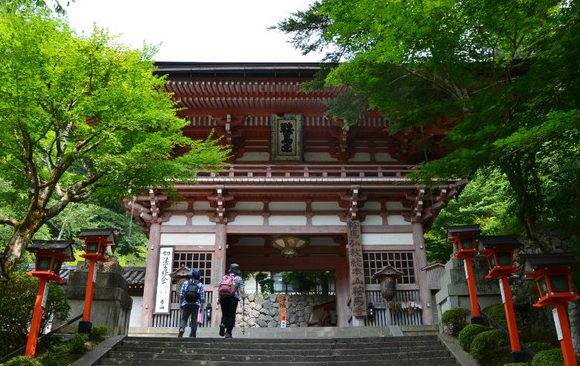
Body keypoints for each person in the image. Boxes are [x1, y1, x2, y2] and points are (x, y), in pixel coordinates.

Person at [218, 263, 244, 338]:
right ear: (237, 271)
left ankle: (223, 323)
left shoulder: (224, 277)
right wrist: (243, 295)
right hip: (233, 298)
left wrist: (218, 298)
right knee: (231, 315)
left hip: (223, 297)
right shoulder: (238, 278)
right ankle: (228, 333)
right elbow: (241, 290)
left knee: (225, 313)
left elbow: (220, 287)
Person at [178, 269, 205, 338]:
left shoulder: (186, 283)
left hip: (186, 303)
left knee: (184, 317)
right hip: (196, 304)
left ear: (192, 276)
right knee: (194, 319)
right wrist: (202, 307)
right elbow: (202, 297)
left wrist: (181, 303)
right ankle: (193, 334)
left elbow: (182, 294)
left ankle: (182, 328)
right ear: (198, 276)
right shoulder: (200, 284)